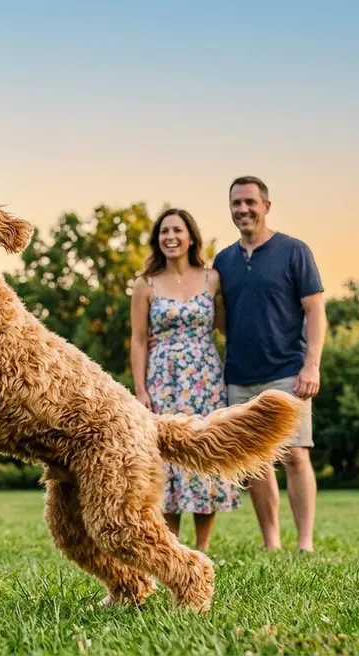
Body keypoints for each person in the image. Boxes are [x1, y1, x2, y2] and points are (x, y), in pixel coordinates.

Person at [212, 176, 326, 553]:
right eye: (236, 204)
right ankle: (271, 543)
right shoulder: (224, 260)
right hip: (240, 376)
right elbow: (221, 318)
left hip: (287, 371)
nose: (242, 210)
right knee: (257, 462)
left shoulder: (294, 251)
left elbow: (315, 311)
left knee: (295, 454)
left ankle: (305, 543)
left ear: (266, 206)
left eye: (249, 202)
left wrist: (312, 365)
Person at [130, 207, 238, 553]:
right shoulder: (145, 284)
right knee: (169, 457)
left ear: (191, 236)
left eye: (177, 230)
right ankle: (173, 545)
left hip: (205, 377)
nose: (171, 237)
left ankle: (203, 547)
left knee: (205, 450)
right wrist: (141, 390)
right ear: (156, 240)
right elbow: (137, 338)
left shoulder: (213, 279)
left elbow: (225, 326)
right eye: (164, 232)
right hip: (163, 378)